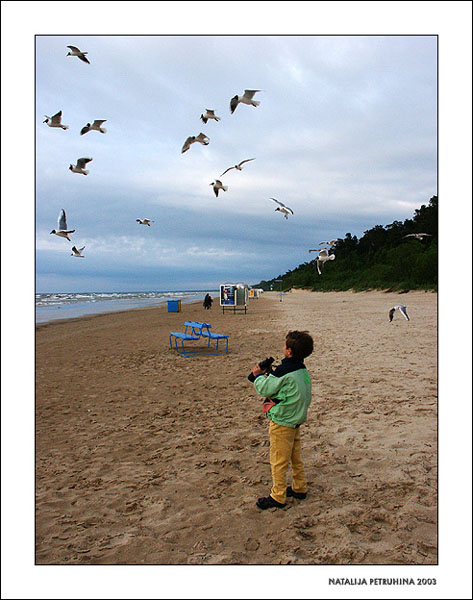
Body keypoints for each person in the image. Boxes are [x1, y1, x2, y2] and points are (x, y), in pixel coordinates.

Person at [248, 330, 314, 510]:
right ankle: (299, 487)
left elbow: (265, 389)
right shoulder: (301, 369)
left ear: (289, 351)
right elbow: (286, 387)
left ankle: (278, 496)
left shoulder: (285, 371)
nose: (283, 348)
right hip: (295, 419)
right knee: (295, 456)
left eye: (285, 346)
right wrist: (271, 373)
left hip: (283, 421)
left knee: (278, 459)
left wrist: (258, 376)